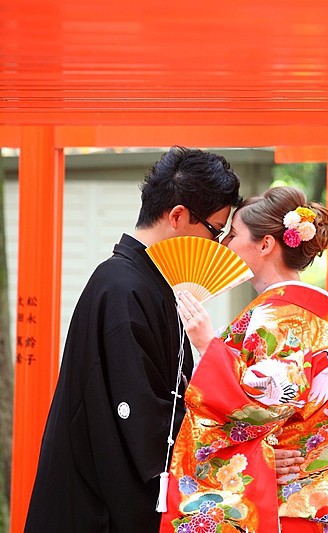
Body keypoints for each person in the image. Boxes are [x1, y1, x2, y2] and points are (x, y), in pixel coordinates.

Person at [23, 146, 243, 533]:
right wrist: (234, 447)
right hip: (100, 502)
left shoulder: (148, 283)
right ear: (177, 216)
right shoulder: (121, 287)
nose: (216, 244)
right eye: (215, 230)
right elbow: (142, 414)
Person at [160, 186, 328, 533]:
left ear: (265, 245)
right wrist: (271, 456)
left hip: (267, 511)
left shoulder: (272, 321)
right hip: (309, 513)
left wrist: (207, 345)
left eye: (232, 234)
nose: (224, 244)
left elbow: (255, 408)